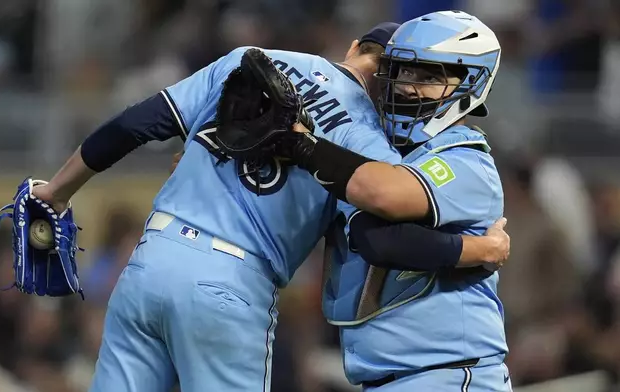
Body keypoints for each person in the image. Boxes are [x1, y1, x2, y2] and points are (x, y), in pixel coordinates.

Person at [30, 23, 508, 392]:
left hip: (149, 260)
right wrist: (476, 249)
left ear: (354, 47)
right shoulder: (369, 146)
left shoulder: (254, 61)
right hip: (231, 286)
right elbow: (379, 238)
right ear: (391, 77)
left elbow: (136, 124)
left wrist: (56, 192)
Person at [272, 11, 511, 391]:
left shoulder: (466, 160)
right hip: (391, 377)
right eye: (402, 71)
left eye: (429, 76)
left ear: (471, 82)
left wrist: (302, 145)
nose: (406, 86)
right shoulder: (381, 154)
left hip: (447, 373)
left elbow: (379, 238)